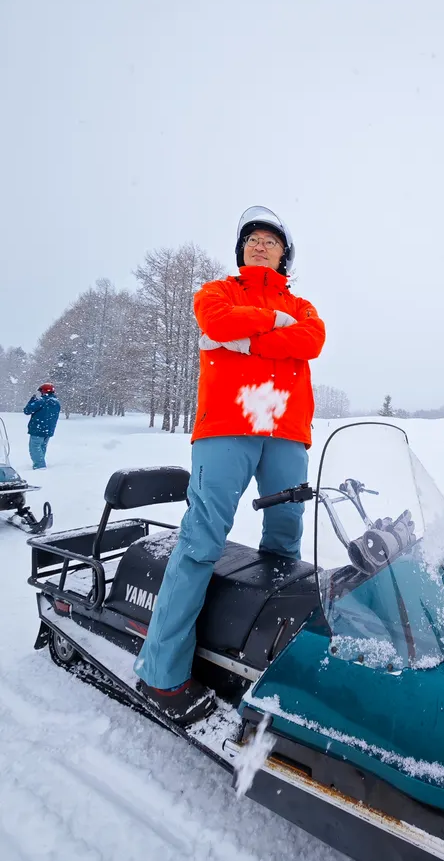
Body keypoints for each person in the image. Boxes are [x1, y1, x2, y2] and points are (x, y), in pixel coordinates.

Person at [135, 206, 325, 724]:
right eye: (252, 240)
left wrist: (245, 340)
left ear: (286, 253)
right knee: (201, 540)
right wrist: (269, 325)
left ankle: (267, 650)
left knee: (286, 537)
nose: (261, 246)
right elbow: (214, 322)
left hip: (285, 432)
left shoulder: (302, 306)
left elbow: (311, 340)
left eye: (271, 240)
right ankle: (161, 671)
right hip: (224, 427)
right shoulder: (218, 292)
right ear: (241, 250)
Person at [23, 384, 61, 469]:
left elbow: (27, 410)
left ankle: (40, 466)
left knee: (35, 448)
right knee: (42, 447)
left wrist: (32, 400)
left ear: (43, 391)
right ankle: (40, 463)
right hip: (49, 430)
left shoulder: (41, 401)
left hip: (37, 428)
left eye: (41, 391)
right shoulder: (57, 402)